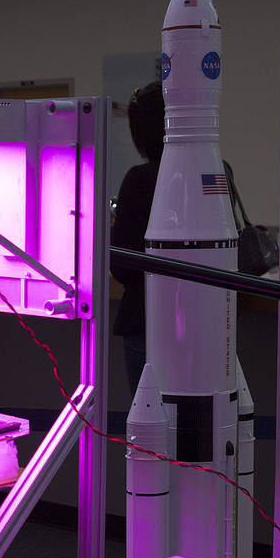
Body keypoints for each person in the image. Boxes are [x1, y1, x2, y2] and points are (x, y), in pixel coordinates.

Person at [110, 81, 165, 397]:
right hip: (205, 324)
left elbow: (122, 264)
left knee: (152, 432)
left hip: (148, 321)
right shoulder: (217, 169)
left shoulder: (140, 179)